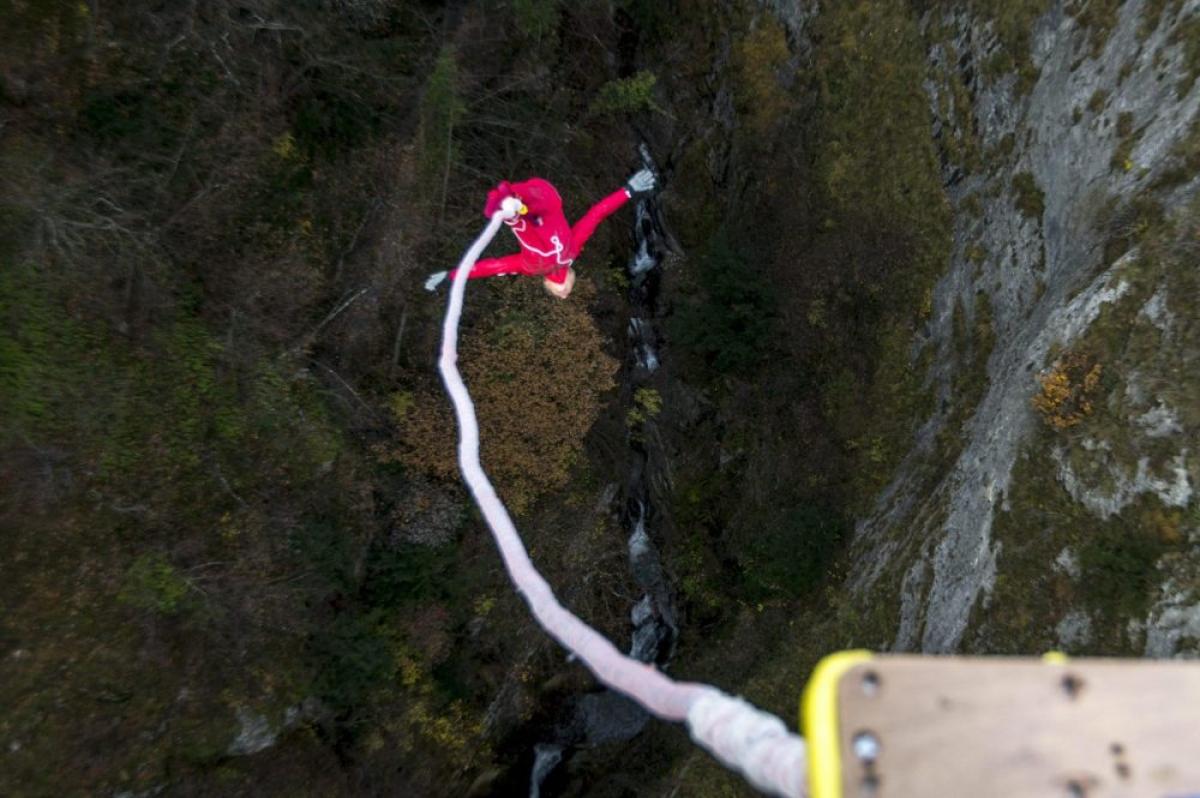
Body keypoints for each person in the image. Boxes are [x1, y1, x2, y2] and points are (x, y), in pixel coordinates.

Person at [424, 169, 657, 299]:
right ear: (571, 276)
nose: (565, 295)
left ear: (547, 283)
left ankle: (511, 205)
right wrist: (628, 192)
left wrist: (450, 277)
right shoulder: (572, 250)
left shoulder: (527, 267)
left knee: (523, 223)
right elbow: (595, 215)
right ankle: (514, 204)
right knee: (543, 206)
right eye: (568, 291)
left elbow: (488, 267)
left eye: (560, 294)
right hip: (546, 201)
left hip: (526, 214)